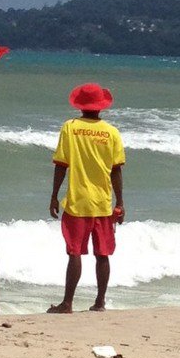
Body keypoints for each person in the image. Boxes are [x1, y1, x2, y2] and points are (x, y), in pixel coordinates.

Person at [47, 83, 126, 313]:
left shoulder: (70, 128)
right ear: (101, 107)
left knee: (75, 253)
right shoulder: (111, 132)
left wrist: (54, 196)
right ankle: (100, 302)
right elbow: (116, 170)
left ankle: (68, 303)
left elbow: (61, 165)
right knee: (102, 254)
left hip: (77, 202)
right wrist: (120, 202)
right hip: (103, 202)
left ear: (80, 105)